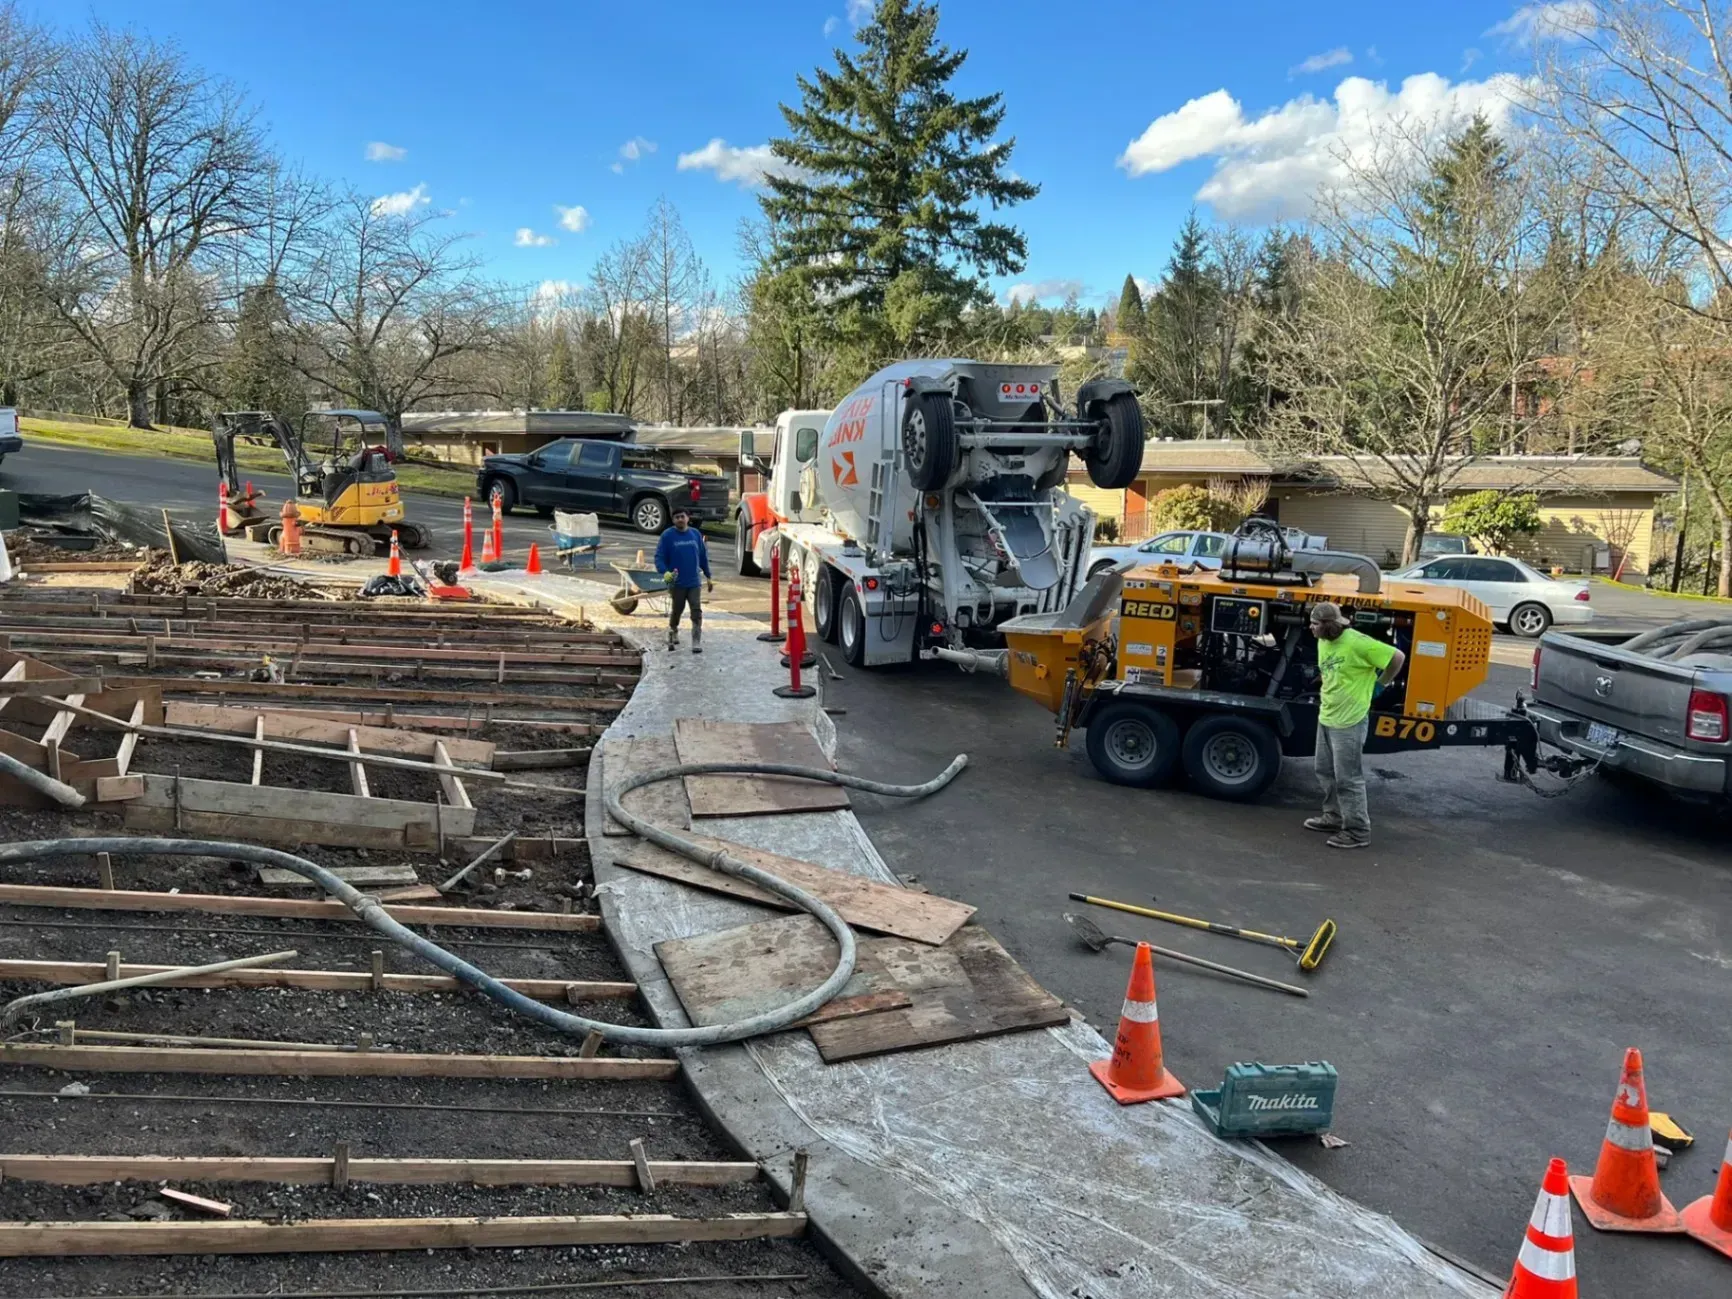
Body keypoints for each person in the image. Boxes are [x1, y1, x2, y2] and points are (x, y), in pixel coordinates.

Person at [1305, 601, 1405, 849]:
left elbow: (1397, 657)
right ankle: (1333, 817)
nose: (1311, 627)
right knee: (1324, 770)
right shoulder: (1323, 641)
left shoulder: (1357, 642)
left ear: (1329, 626)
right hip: (1327, 715)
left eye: (1315, 624)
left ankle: (1358, 831)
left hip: (1350, 720)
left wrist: (1381, 684)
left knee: (1348, 778)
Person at [654, 508, 713, 653]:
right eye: (676, 517)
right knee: (677, 610)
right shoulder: (667, 536)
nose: (680, 519)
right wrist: (665, 572)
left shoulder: (695, 534)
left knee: (696, 610)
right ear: (673, 520)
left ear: (688, 518)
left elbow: (703, 556)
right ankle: (673, 629)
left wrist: (708, 575)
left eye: (682, 516)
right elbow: (659, 557)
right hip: (676, 582)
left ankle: (696, 640)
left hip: (694, 581)